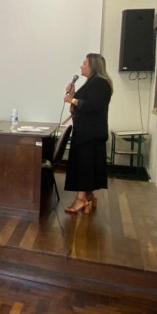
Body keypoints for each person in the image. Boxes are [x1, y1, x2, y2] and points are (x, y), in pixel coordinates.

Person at [63, 53, 113, 214]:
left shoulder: (101, 83)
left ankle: (81, 199)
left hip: (91, 134)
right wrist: (73, 92)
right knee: (83, 165)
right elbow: (80, 103)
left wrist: (72, 100)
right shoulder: (91, 83)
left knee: (85, 166)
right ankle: (88, 194)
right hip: (84, 132)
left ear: (93, 65)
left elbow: (93, 105)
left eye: (84, 63)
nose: (81, 66)